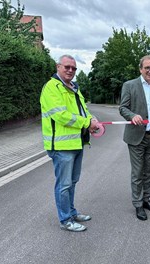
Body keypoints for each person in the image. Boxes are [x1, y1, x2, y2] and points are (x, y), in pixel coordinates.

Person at [40, 54, 99, 232]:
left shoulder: (74, 87)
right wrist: (86, 123)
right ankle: (65, 220)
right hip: (61, 147)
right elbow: (60, 115)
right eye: (67, 67)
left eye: (73, 68)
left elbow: (84, 110)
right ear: (58, 67)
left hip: (76, 143)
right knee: (64, 184)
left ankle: (72, 212)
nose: (70, 70)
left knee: (72, 182)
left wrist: (91, 120)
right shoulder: (52, 87)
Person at [119, 55, 150, 221]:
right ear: (140, 69)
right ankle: (138, 204)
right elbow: (123, 108)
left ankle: (146, 199)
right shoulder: (130, 85)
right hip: (137, 135)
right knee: (138, 172)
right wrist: (132, 115)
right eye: (147, 68)